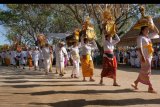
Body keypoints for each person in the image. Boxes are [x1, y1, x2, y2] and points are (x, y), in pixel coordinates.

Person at [131, 23, 159, 93]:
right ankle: (150, 86)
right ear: (142, 30)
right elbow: (139, 47)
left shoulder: (148, 37)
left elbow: (157, 32)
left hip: (149, 56)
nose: (148, 31)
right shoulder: (140, 37)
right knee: (146, 71)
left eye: (148, 29)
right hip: (144, 56)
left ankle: (136, 82)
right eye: (146, 29)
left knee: (145, 71)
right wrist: (142, 56)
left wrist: (152, 24)